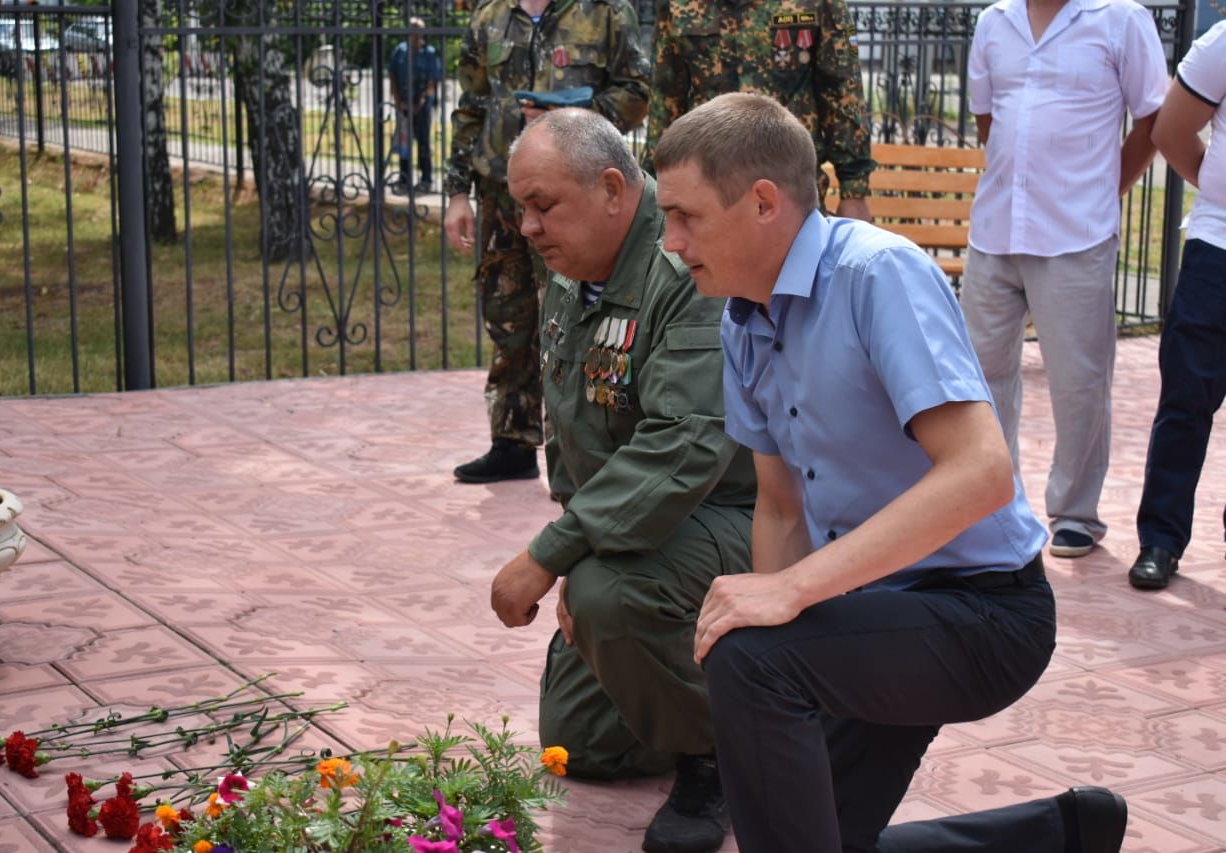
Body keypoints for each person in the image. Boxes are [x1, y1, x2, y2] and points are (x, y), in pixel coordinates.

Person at [653, 92, 1128, 852]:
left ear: (764, 202)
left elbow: (982, 472)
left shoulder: (878, 274)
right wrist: (777, 611)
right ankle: (1059, 831)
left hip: (984, 616)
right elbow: (779, 509)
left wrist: (791, 597)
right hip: (879, 607)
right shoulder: (743, 318)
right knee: (816, 822)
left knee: (749, 665)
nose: (670, 241)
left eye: (685, 216)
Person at [490, 108, 756, 853]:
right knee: (581, 744)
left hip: (747, 515)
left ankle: (721, 761)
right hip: (647, 523)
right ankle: (752, 695)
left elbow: (686, 447)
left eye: (545, 206)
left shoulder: (683, 270)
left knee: (611, 596)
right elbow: (572, 439)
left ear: (613, 188)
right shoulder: (575, 275)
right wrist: (585, 547)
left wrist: (559, 554)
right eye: (521, 208)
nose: (529, 227)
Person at [960, 0, 1167, 559]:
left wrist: (1105, 187)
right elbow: (989, 119)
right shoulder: (993, 22)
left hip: (1076, 232)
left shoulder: (1121, 20)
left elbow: (1155, 119)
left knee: (1079, 381)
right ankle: (991, 505)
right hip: (996, 228)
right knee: (981, 376)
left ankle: (1076, 513)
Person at [443, 0, 650, 484]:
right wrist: (457, 192)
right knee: (506, 313)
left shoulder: (604, 11)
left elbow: (637, 91)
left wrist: (576, 116)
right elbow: (469, 110)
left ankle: (576, 445)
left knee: (571, 314)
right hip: (500, 192)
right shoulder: (490, 15)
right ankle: (511, 440)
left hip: (571, 196)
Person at [1128, 21, 1226, 590]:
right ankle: (1161, 541)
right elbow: (1171, 132)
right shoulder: (1222, 44)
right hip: (1219, 249)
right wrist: (1217, 188)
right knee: (1187, 398)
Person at [645, 0, 874, 222]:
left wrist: (854, 190)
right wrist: (655, 183)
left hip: (788, 184)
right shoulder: (677, 5)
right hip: (707, 185)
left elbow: (842, 92)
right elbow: (665, 100)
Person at [388, 17, 442, 195]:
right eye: (411, 29)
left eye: (417, 29)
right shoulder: (400, 51)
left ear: (423, 32)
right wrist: (398, 100)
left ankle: (426, 179)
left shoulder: (430, 53)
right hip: (403, 105)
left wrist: (421, 100)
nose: (414, 33)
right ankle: (404, 178)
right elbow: (393, 76)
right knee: (404, 142)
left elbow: (433, 81)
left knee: (423, 142)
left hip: (422, 106)